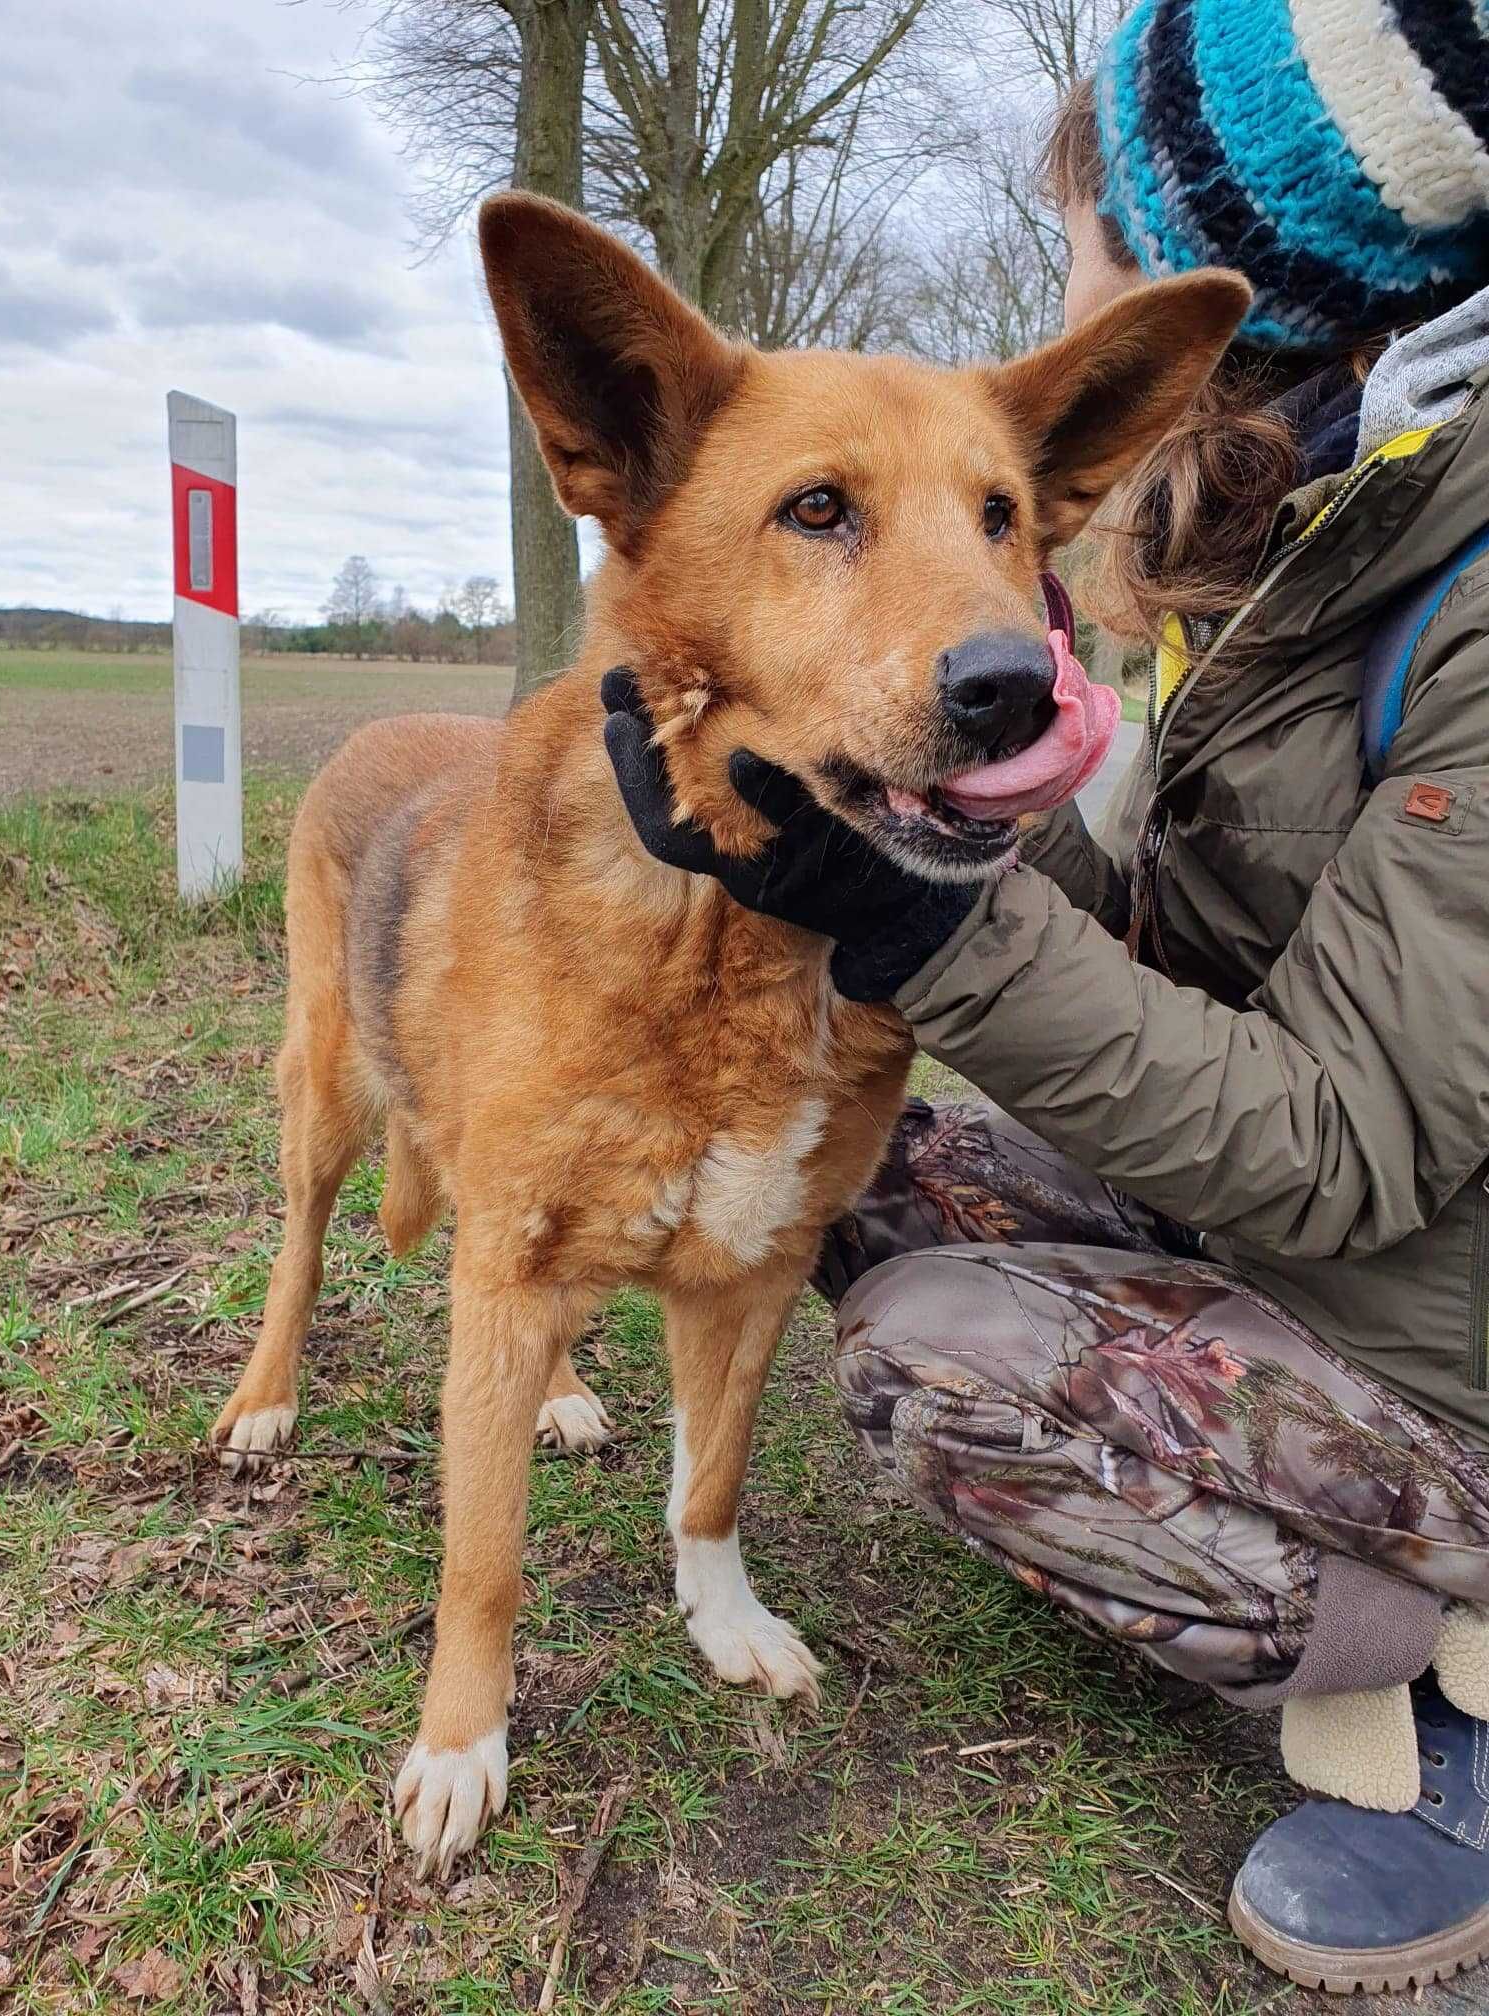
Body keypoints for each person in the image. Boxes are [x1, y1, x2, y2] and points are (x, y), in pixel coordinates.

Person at [603, 0, 1489, 1993]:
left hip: (1452, 1341)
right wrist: (890, 811)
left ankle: (1441, 1682)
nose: (1057, 296)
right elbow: (1190, 947)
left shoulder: (1471, 589)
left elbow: (1350, 1145)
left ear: (1229, 280)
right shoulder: (1306, 536)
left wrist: (926, 929)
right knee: (854, 1174)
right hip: (1326, 1255)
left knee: (938, 1359)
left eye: (1087, 237)